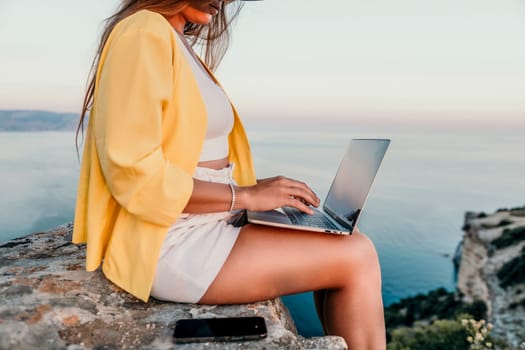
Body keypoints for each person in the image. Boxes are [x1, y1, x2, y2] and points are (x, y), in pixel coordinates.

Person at [73, 1, 386, 348]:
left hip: (210, 220)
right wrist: (246, 196)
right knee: (358, 256)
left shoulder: (176, 40)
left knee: (342, 240)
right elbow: (134, 173)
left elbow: (191, 156)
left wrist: (251, 191)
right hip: (172, 241)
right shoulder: (143, 32)